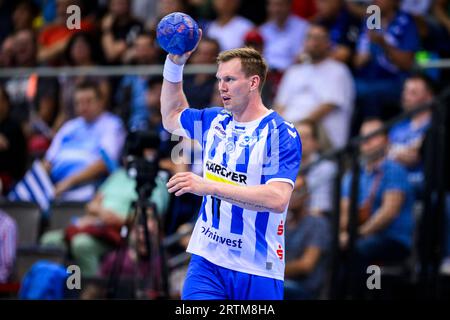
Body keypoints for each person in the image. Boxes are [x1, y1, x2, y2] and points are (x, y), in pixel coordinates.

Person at [161, 35, 302, 299]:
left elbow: (277, 198)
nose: (221, 87)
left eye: (229, 79)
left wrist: (209, 186)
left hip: (258, 266)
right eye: (219, 79)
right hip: (208, 260)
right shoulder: (216, 121)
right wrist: (175, 64)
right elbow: (171, 117)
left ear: (253, 82)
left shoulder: (279, 132)